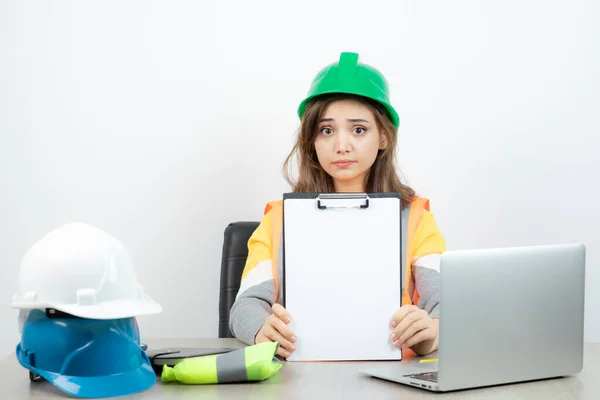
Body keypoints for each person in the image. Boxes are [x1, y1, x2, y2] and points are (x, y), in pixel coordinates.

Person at [229, 52, 446, 358]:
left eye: (358, 130)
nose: (341, 145)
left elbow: (446, 306)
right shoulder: (278, 220)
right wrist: (260, 329)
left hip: (394, 377)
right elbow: (245, 307)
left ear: (383, 136)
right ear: (312, 140)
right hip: (299, 374)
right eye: (326, 130)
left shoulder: (416, 218)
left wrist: (431, 333)